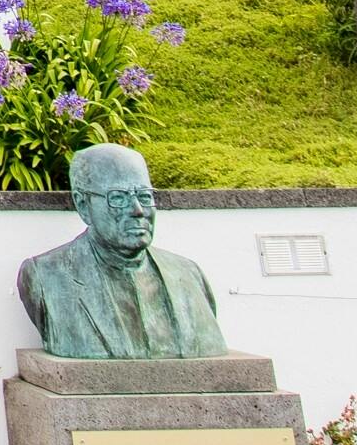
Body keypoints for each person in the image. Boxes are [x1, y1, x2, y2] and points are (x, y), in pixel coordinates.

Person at [16, 143, 227, 359]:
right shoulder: (45, 275)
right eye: (118, 197)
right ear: (83, 205)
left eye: (145, 196)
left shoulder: (188, 274)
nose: (137, 210)